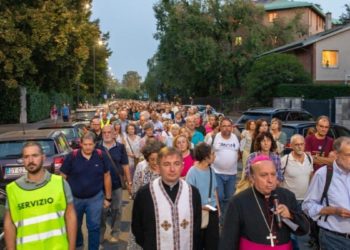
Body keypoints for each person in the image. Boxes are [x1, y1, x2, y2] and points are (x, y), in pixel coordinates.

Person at [220, 155, 309, 250]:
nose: (270, 180)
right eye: (264, 175)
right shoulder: (238, 201)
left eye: (273, 174)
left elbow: (303, 230)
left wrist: (290, 215)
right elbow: (228, 240)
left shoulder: (287, 196)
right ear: (252, 178)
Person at [4, 142, 77, 250]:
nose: (30, 160)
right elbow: (9, 225)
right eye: (26, 157)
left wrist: (71, 248)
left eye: (35, 155)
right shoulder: (13, 189)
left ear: (43, 157)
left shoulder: (60, 184)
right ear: (23, 160)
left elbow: (70, 217)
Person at [132, 147, 202, 250]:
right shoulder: (145, 194)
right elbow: (137, 228)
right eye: (166, 164)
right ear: (158, 167)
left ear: (182, 166)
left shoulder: (193, 192)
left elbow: (196, 227)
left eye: (177, 164)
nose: (172, 169)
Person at [60, 132, 112, 250]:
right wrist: (63, 197)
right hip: (74, 199)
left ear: (95, 145)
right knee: (75, 225)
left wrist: (108, 198)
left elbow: (107, 176)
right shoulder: (71, 157)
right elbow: (62, 177)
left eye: (90, 144)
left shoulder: (101, 155)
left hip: (95, 198)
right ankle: (79, 245)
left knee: (94, 226)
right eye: (85, 144)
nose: (88, 147)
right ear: (81, 144)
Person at [302, 136, 350, 250]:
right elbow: (307, 206)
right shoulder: (323, 175)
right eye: (348, 155)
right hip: (333, 240)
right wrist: (332, 210)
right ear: (336, 154)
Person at [97, 125, 132, 244]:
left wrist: (129, 181)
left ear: (114, 134)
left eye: (109, 132)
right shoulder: (97, 147)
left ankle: (115, 232)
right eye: (104, 132)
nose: (106, 134)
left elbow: (125, 165)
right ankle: (101, 233)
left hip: (116, 184)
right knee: (102, 211)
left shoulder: (120, 147)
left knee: (116, 210)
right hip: (100, 186)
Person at [127, 140, 164, 250]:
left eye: (158, 159)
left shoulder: (166, 169)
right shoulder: (141, 167)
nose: (155, 162)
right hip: (143, 213)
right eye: (152, 159)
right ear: (147, 158)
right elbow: (135, 191)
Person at [280, 134, 313, 250]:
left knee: (304, 231)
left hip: (305, 201)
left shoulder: (309, 158)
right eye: (297, 145)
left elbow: (310, 176)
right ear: (291, 146)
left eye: (302, 144)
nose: (300, 147)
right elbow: (279, 180)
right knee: (292, 231)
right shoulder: (285, 160)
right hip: (290, 202)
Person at [186, 142, 220, 250]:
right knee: (198, 242)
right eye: (212, 154)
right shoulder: (192, 172)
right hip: (198, 211)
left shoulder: (211, 170)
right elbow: (189, 195)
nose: (214, 156)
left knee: (213, 242)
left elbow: (214, 190)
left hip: (212, 210)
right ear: (206, 157)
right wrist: (201, 207)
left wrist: (218, 209)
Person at [206, 118, 240, 220]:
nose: (226, 128)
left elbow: (239, 153)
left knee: (229, 198)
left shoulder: (236, 137)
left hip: (232, 173)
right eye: (224, 126)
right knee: (219, 196)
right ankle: (218, 216)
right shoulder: (213, 137)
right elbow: (206, 151)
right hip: (217, 172)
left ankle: (224, 219)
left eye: (229, 126)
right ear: (220, 127)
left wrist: (232, 160)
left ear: (232, 127)